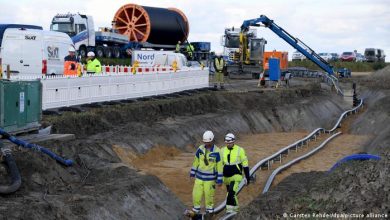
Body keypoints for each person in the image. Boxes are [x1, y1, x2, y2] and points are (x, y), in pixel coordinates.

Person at [190, 130, 223, 215]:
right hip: (199, 178)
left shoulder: (217, 151)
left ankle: (209, 212)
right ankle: (196, 210)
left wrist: (219, 179)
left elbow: (220, 166)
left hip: (210, 180)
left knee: (209, 195)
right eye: (205, 142)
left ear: (212, 140)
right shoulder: (200, 149)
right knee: (196, 194)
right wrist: (192, 173)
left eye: (208, 142)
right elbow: (195, 162)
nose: (206, 144)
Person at [221, 133, 250, 214]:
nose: (228, 144)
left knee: (231, 192)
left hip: (236, 175)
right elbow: (219, 164)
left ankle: (231, 211)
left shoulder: (240, 150)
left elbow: (245, 164)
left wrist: (247, 177)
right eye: (226, 142)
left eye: (229, 142)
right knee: (230, 193)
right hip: (226, 177)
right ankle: (234, 210)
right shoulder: (222, 150)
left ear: (233, 141)